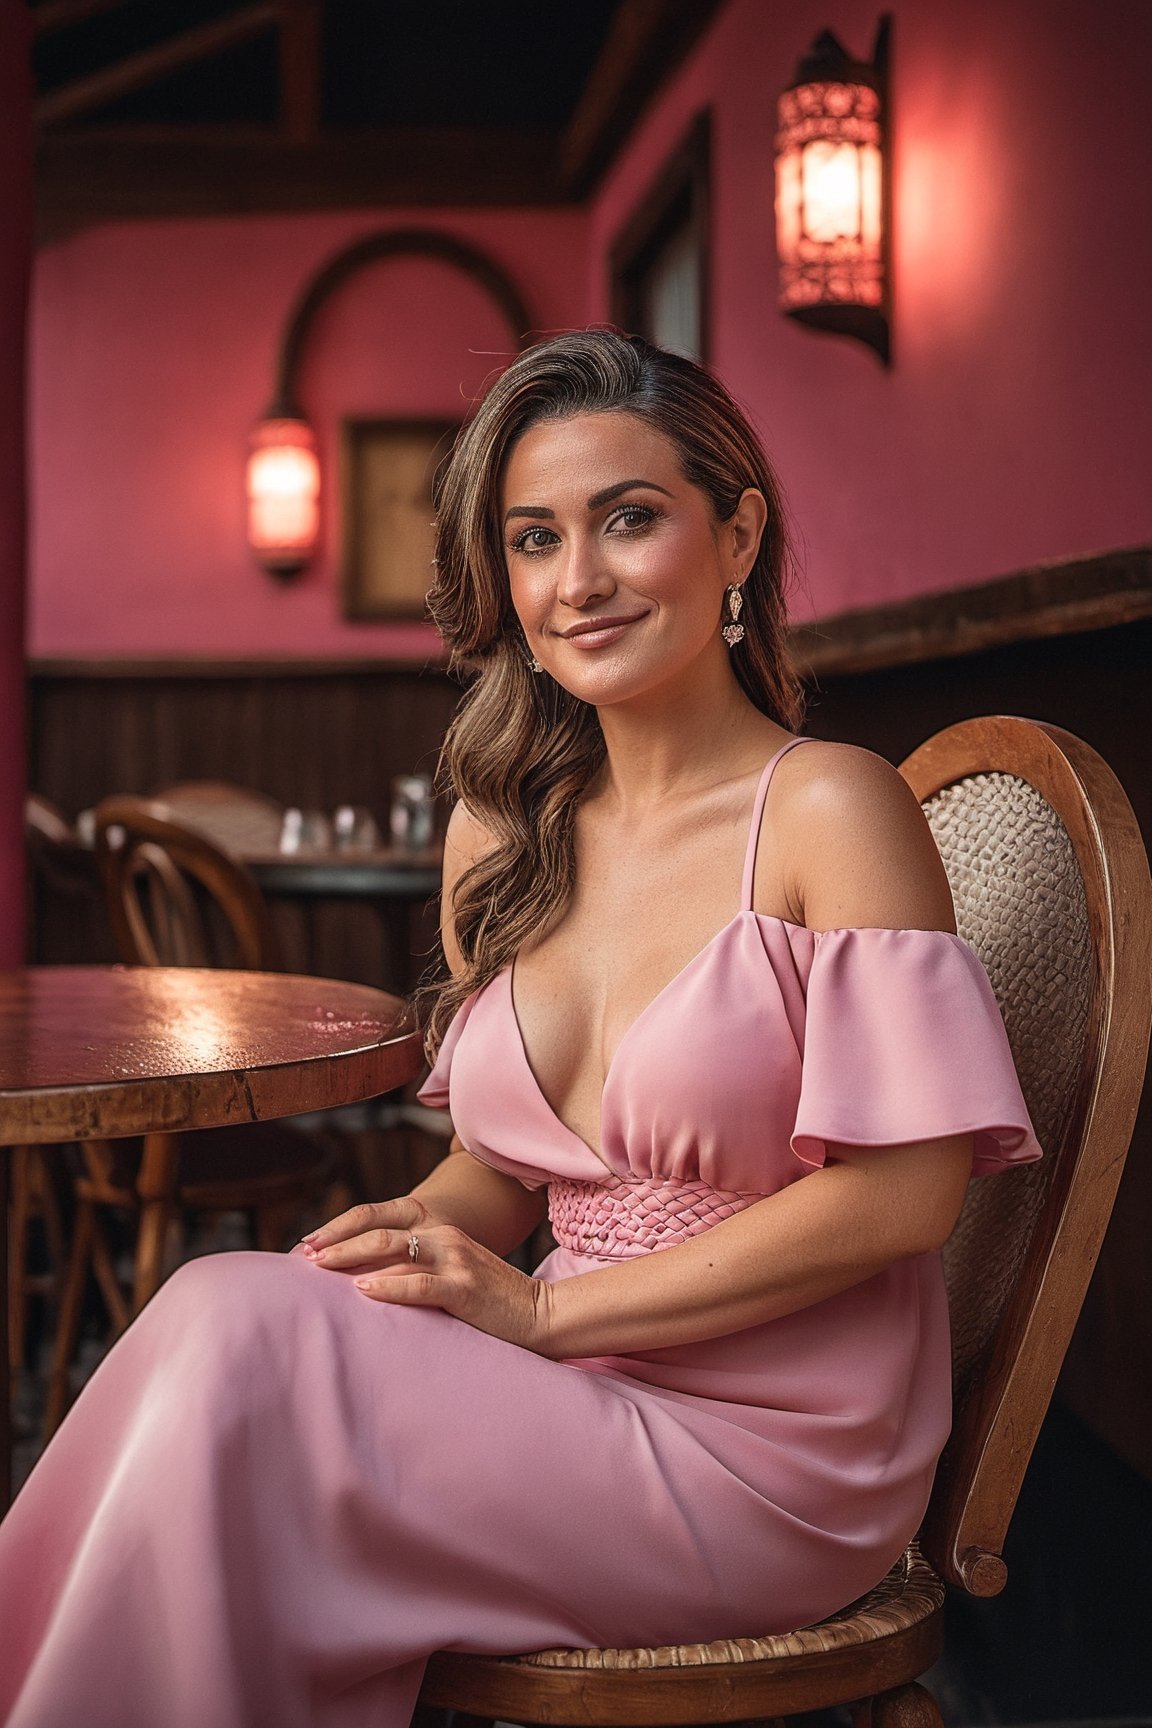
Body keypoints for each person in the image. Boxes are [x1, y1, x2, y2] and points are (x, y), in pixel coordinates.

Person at [0, 331, 1041, 1728]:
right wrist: (398, 1248)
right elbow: (500, 1176)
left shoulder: (831, 810)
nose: (579, 582)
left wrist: (547, 1313)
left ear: (737, 536)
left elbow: (909, 1196)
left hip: (774, 1454)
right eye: (535, 539)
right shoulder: (501, 831)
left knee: (236, 1357)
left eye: (629, 519)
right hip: (560, 1381)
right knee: (233, 1312)